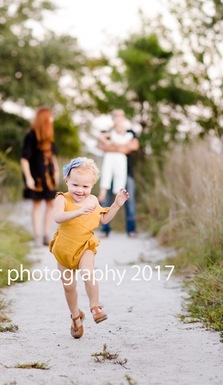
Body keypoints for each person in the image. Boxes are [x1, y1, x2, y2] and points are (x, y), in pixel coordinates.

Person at [48, 157, 129, 339]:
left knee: (87, 272)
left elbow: (103, 219)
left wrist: (116, 205)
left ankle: (95, 307)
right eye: (75, 185)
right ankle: (76, 316)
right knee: (69, 287)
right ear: (67, 180)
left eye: (85, 187)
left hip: (85, 246)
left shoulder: (93, 200)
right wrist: (77, 212)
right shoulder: (62, 198)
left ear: (92, 186)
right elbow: (58, 217)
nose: (80, 190)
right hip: (64, 250)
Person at [21, 107, 60, 247]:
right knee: (37, 204)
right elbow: (24, 158)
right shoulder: (31, 135)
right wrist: (28, 178)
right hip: (36, 175)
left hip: (49, 176)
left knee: (51, 204)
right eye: (50, 117)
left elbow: (52, 155)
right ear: (44, 118)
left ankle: (46, 235)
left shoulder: (49, 136)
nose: (52, 119)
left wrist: (56, 169)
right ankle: (37, 236)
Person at [98, 109, 139, 238]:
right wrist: (120, 147)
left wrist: (113, 145)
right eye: (115, 116)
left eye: (120, 115)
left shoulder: (130, 132)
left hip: (127, 171)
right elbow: (102, 146)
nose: (118, 118)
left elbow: (133, 147)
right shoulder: (107, 132)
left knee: (129, 200)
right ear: (112, 118)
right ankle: (104, 229)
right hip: (110, 170)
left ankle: (131, 229)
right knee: (106, 200)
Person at [97, 116, 134, 202]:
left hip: (120, 159)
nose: (121, 128)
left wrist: (114, 145)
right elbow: (101, 137)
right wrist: (107, 142)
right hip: (110, 157)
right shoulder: (112, 133)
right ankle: (102, 194)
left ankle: (118, 196)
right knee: (106, 174)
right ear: (115, 127)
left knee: (120, 175)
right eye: (119, 126)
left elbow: (127, 147)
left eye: (122, 126)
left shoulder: (128, 136)